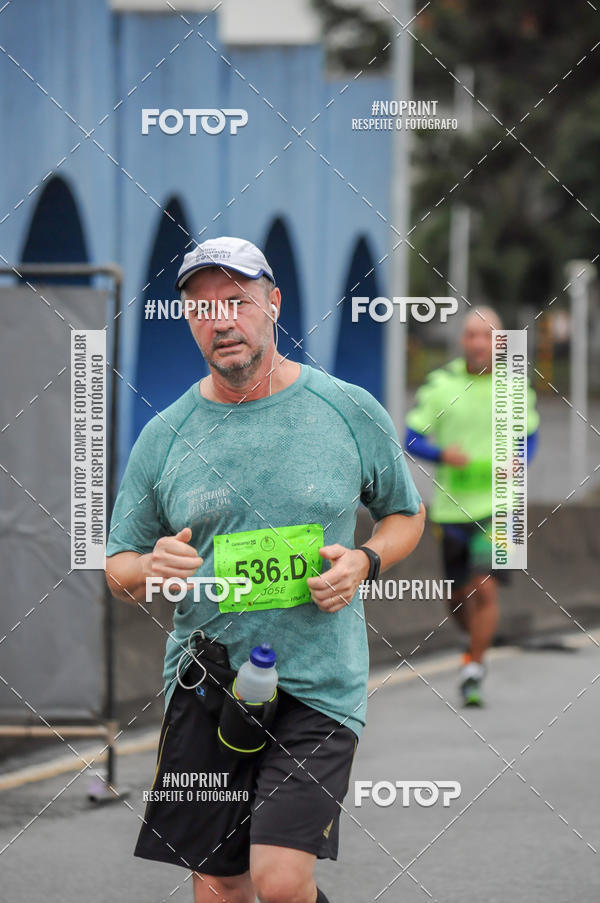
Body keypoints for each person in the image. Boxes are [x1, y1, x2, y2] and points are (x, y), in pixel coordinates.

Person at [105, 236, 425, 903]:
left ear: (272, 303)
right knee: (221, 883)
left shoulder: (347, 409)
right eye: (201, 307)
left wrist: (365, 559)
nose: (221, 319)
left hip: (317, 683)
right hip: (204, 683)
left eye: (237, 300)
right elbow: (118, 568)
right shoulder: (164, 435)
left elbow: (405, 513)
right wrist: (152, 564)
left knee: (280, 879)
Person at [405, 306, 539, 706]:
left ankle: (473, 669)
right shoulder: (441, 385)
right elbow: (410, 438)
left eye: (488, 336)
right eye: (472, 335)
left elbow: (529, 437)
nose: (479, 343)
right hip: (451, 510)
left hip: (503, 506)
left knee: (485, 587)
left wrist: (520, 459)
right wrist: (444, 454)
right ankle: (475, 642)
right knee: (458, 597)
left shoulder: (516, 387)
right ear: (462, 341)